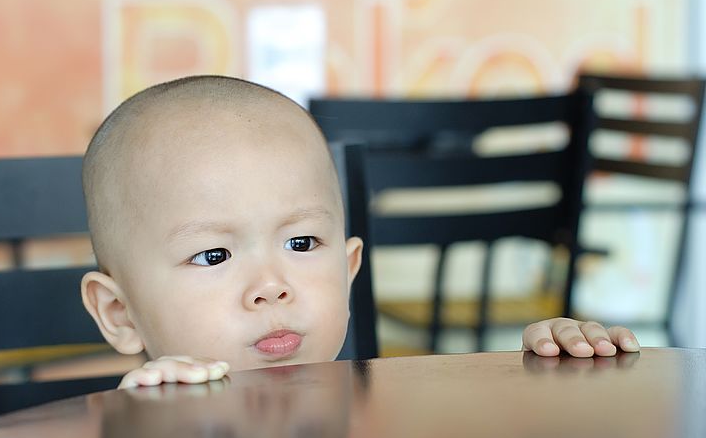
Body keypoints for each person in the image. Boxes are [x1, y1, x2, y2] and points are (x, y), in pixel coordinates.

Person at [80, 75, 640, 389]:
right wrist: (148, 436)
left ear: (348, 269)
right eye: (213, 254)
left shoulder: (381, 408)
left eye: (301, 244)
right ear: (120, 314)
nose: (272, 286)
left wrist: (546, 375)